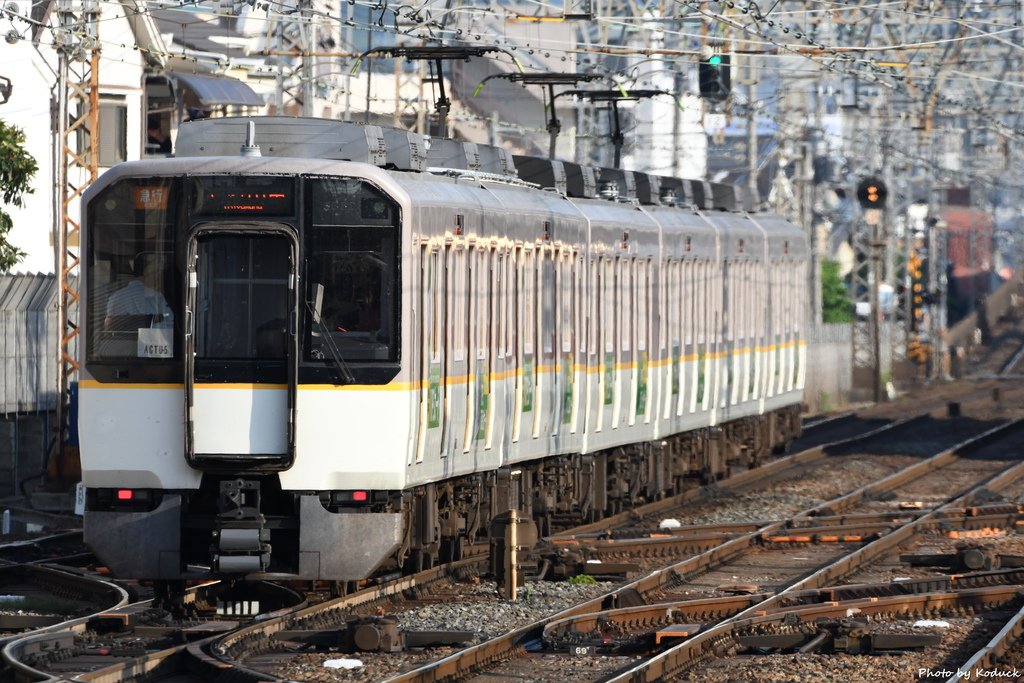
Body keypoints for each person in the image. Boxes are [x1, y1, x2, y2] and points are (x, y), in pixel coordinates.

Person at [105, 255, 173, 331]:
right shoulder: (158, 298)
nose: (160, 270)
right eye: (157, 270)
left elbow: (109, 328)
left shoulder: (115, 297)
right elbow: (169, 328)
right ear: (146, 271)